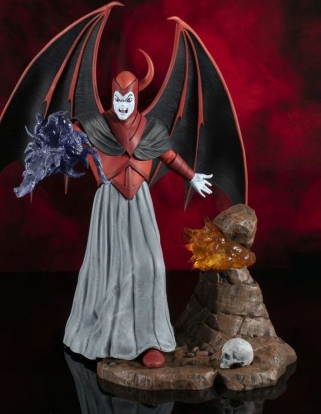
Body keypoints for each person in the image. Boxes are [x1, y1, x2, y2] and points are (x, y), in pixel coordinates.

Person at [63, 70, 212, 368]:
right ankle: (106, 337)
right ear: (111, 97)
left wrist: (192, 176)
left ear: (136, 98)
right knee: (110, 268)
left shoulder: (150, 128)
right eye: (118, 100)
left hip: (140, 204)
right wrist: (58, 139)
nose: (122, 105)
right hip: (109, 201)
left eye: (127, 100)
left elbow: (168, 156)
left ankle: (150, 340)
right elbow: (69, 140)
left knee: (150, 266)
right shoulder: (94, 125)